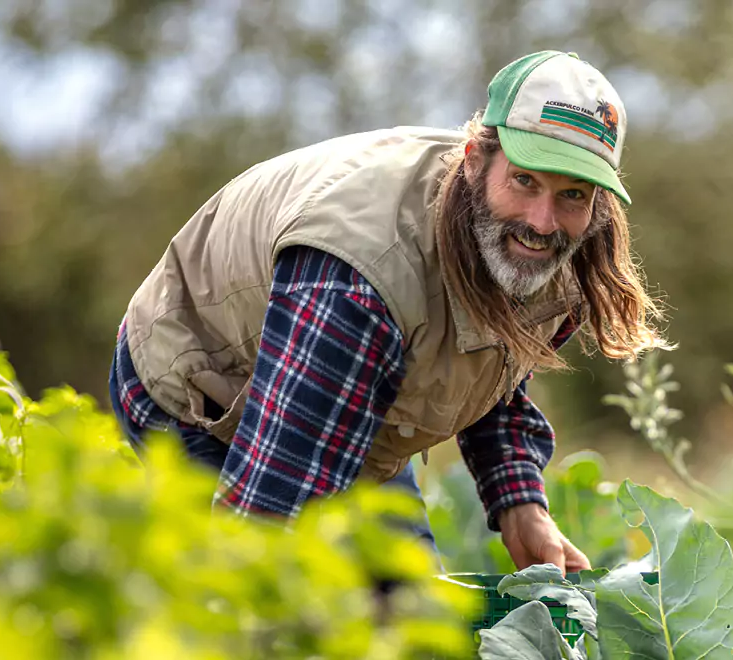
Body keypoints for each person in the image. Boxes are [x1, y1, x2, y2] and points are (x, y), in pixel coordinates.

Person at [108, 50, 665, 574]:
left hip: (352, 395)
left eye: (573, 194)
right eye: (525, 181)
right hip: (202, 383)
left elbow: (493, 364)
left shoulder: (559, 248)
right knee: (270, 598)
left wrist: (520, 500)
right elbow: (270, 510)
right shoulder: (361, 276)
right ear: (475, 162)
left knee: (408, 612)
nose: (543, 221)